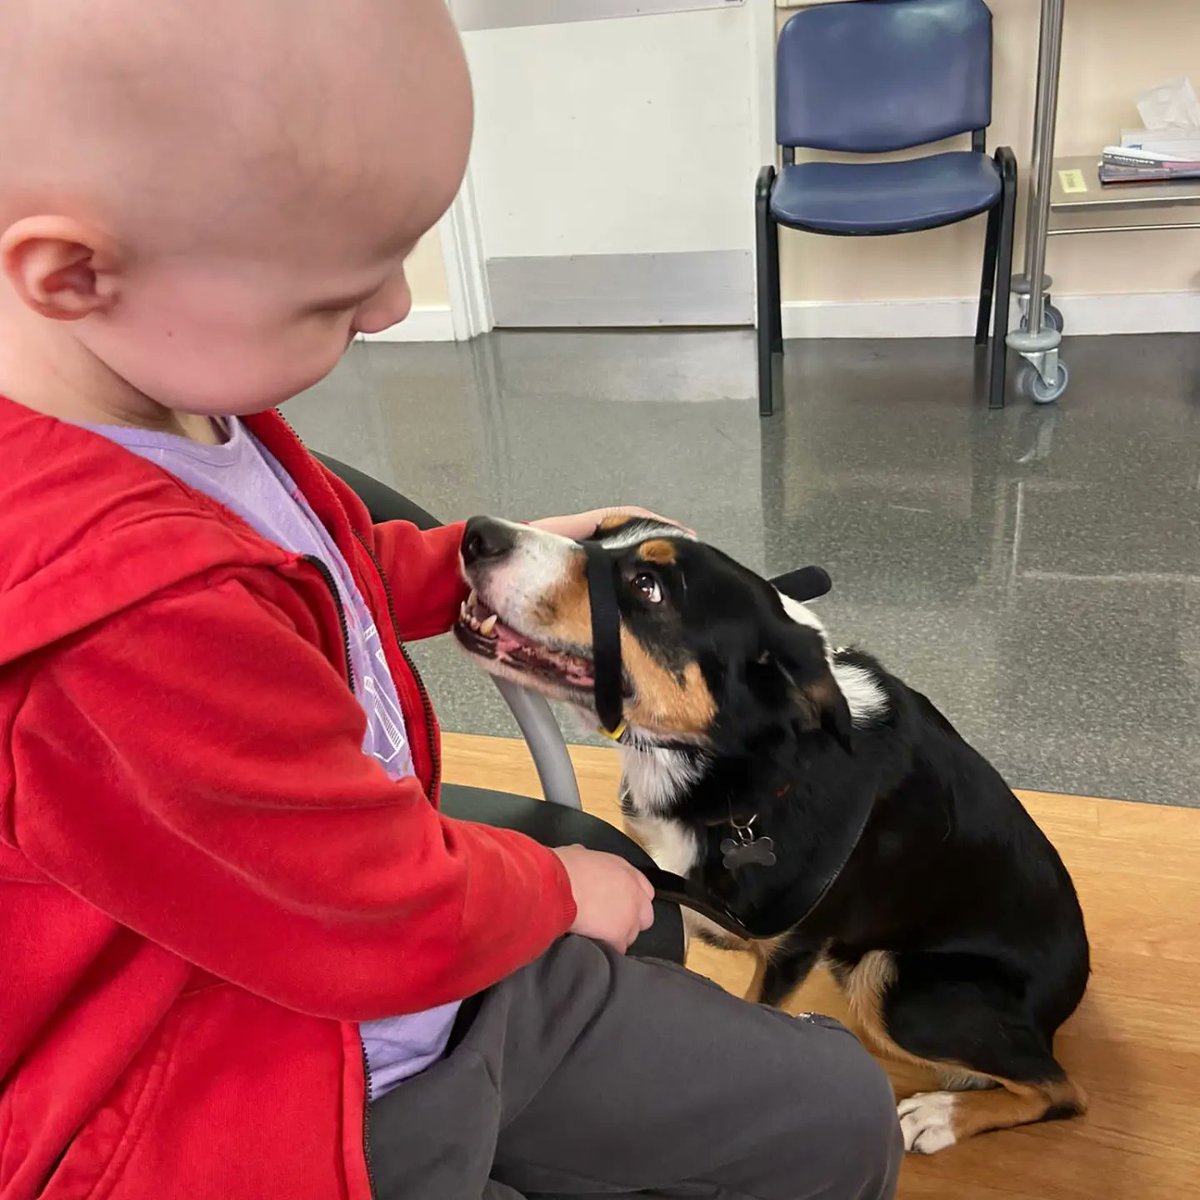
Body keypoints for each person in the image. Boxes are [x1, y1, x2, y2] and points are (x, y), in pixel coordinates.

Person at [0, 2, 902, 1198]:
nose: (387, 312)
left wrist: (437, 573)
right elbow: (359, 909)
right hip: (294, 1090)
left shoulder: (176, 397)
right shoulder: (109, 619)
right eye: (337, 294)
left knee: (840, 1116)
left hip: (442, 963)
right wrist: (557, 886)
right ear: (73, 275)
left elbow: (301, 574)